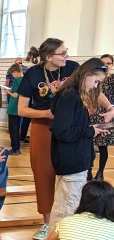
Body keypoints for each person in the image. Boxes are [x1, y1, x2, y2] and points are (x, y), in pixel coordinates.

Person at [17, 38, 80, 240]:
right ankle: (47, 223)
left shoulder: (73, 68)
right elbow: (21, 109)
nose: (66, 56)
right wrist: (45, 114)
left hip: (70, 126)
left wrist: (108, 108)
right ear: (48, 57)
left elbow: (90, 92)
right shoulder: (33, 74)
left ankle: (70, 223)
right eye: (62, 53)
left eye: (66, 51)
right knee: (44, 174)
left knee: (72, 174)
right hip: (43, 127)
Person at [49, 58, 108, 227]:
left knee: (63, 206)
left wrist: (92, 128)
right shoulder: (70, 96)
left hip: (74, 159)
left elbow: (71, 127)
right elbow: (61, 131)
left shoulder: (72, 94)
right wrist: (90, 131)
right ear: (87, 74)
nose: (96, 86)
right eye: (96, 81)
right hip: (72, 161)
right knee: (68, 209)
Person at [89, 54, 114, 181]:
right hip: (93, 114)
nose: (106, 66)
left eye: (108, 63)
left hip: (108, 116)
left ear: (112, 65)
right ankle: (88, 170)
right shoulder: (95, 78)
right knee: (89, 142)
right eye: (103, 63)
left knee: (103, 145)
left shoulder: (113, 79)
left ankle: (100, 172)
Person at [6, 63, 24, 155]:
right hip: (20, 107)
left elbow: (15, 94)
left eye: (12, 74)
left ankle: (15, 148)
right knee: (17, 129)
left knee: (12, 129)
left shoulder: (17, 80)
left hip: (13, 108)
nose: (12, 75)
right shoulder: (24, 80)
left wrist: (8, 91)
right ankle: (17, 148)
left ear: (16, 72)